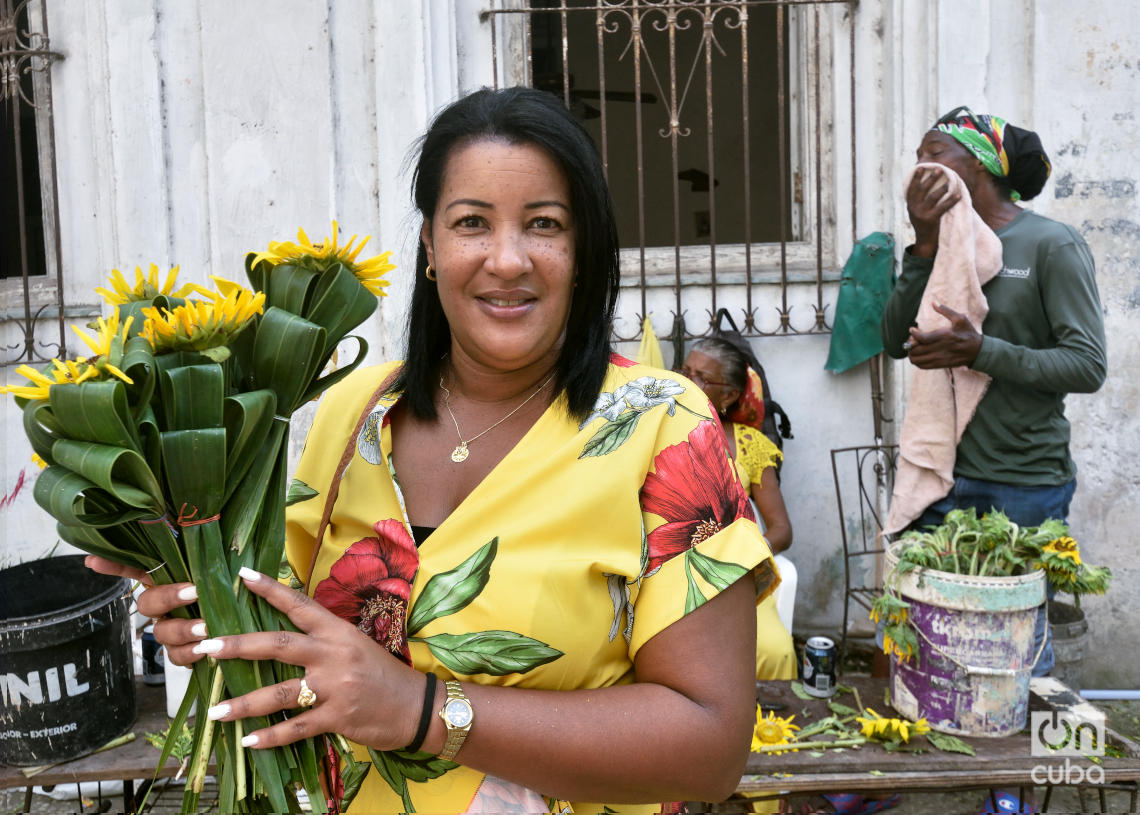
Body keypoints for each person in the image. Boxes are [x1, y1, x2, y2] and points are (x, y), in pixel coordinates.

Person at [88, 87, 778, 814]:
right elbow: (299, 637)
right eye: (472, 223)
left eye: (543, 224)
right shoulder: (353, 410)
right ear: (430, 244)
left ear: (582, 249)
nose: (507, 260)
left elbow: (710, 745)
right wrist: (211, 612)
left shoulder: (664, 425)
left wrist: (420, 710)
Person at [881, 106, 1107, 680]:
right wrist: (923, 245)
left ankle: (1016, 767)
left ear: (979, 164)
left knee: (1016, 645)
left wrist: (980, 352)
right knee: (930, 634)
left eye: (934, 153)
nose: (920, 167)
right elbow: (893, 341)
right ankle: (937, 753)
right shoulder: (942, 246)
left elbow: (1086, 365)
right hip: (940, 474)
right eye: (917, 158)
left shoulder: (1049, 245)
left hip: (1023, 480)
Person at [680, 338, 796, 681]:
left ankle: (768, 731)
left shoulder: (750, 444)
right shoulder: (655, 429)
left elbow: (782, 530)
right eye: (684, 371)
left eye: (701, 377)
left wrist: (738, 561)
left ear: (728, 396)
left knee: (775, 650)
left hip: (734, 576)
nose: (687, 382)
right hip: (668, 572)